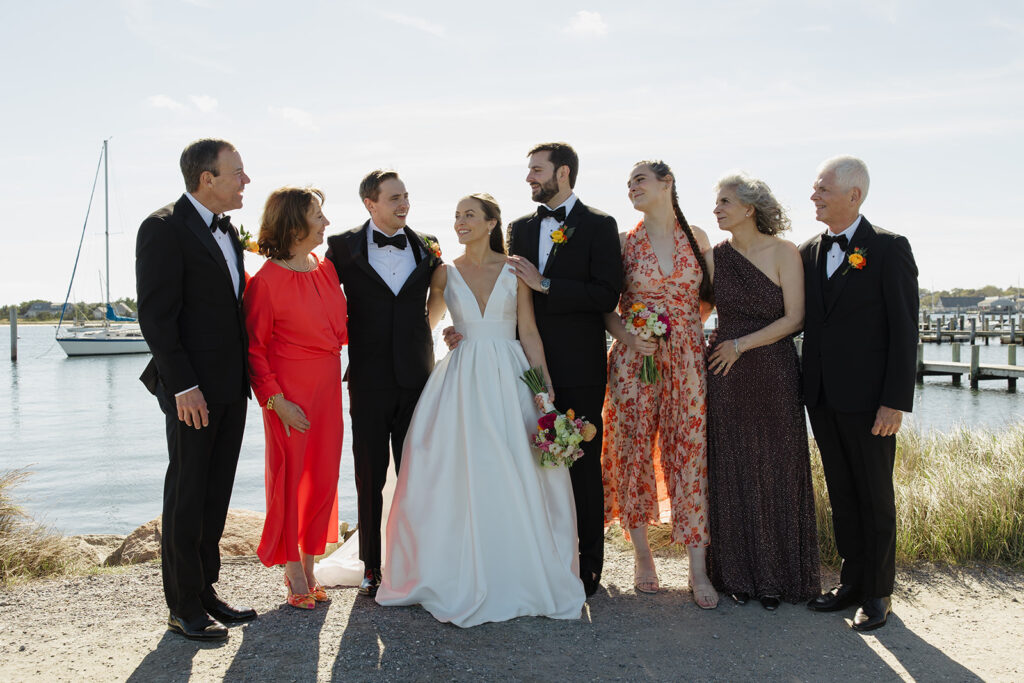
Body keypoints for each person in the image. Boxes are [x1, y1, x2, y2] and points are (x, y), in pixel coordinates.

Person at [376, 193, 585, 626]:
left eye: (469, 215)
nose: (460, 222)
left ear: (492, 223)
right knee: (456, 467)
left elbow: (528, 331)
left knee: (517, 464)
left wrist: (544, 386)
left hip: (511, 377)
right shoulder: (443, 272)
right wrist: (448, 333)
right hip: (462, 379)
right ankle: (451, 565)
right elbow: (427, 324)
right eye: (456, 215)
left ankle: (518, 565)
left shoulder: (515, 269)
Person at [484, 142, 621, 597]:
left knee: (582, 462)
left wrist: (545, 283)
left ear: (563, 173)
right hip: (522, 366)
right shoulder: (520, 228)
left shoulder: (600, 224)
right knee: (530, 461)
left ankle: (589, 565)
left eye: (537, 170)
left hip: (579, 365)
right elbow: (503, 290)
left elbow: (606, 295)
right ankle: (541, 557)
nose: (529, 178)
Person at [136, 138, 257, 641]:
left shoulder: (227, 232)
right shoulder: (163, 228)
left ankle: (206, 592)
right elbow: (156, 318)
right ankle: (182, 606)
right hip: (191, 391)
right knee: (187, 496)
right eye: (238, 172)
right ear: (207, 178)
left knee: (215, 494)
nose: (246, 180)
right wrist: (184, 386)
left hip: (231, 385)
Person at [800, 156, 918, 631]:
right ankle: (850, 582)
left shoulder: (888, 248)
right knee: (842, 493)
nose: (814, 196)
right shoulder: (808, 251)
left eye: (822, 189)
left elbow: (905, 330)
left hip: (872, 402)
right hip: (821, 396)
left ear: (854, 195)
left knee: (875, 496)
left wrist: (895, 401)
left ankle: (878, 592)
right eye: (814, 188)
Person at [600, 160, 717, 608]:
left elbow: (707, 298)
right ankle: (643, 556)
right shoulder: (622, 242)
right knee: (631, 451)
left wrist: (681, 329)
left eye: (640, 179)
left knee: (689, 451)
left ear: (667, 183)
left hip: (687, 361)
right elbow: (606, 307)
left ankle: (697, 568)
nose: (631, 187)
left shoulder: (697, 237)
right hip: (634, 359)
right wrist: (633, 335)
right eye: (628, 182)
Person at [324, 170, 443, 597]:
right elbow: (323, 301)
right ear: (370, 203)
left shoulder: (428, 245)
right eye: (394, 198)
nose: (403, 204)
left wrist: (423, 335)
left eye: (406, 196)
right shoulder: (341, 247)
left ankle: (417, 563)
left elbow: (436, 302)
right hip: (368, 379)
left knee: (417, 473)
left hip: (418, 378)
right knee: (369, 475)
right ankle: (371, 566)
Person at [704, 172, 820, 610]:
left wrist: (741, 345)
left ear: (749, 208)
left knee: (777, 467)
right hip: (725, 373)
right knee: (730, 468)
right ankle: (735, 575)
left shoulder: (784, 252)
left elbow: (796, 318)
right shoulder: (715, 257)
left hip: (773, 370)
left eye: (725, 202)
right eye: (716, 202)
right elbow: (696, 307)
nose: (716, 209)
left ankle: (778, 578)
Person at [243, 187, 348, 609]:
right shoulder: (265, 281)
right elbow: (254, 350)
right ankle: (292, 570)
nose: (326, 223)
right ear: (293, 224)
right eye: (318, 216)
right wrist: (276, 401)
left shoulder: (327, 269)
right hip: (289, 395)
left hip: (327, 387)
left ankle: (309, 563)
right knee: (289, 479)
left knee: (322, 476)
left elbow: (341, 329)